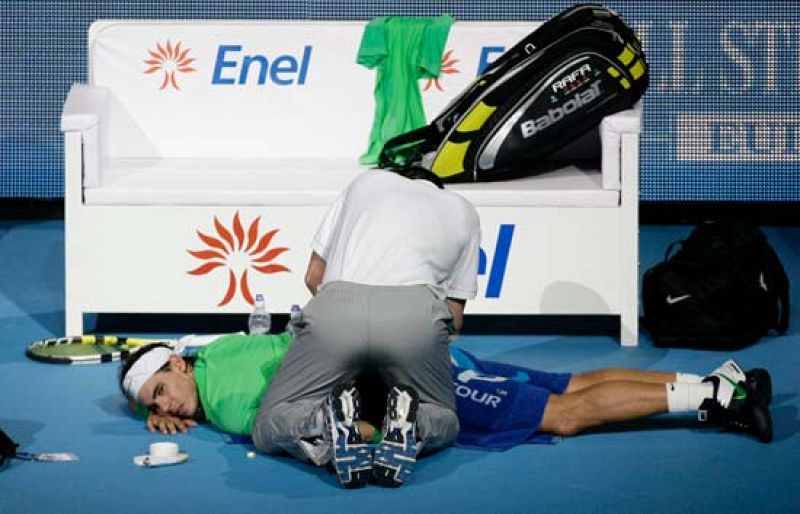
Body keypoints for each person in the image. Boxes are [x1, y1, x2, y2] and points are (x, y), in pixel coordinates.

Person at [119, 333, 774, 481]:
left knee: (561, 414)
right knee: (567, 383)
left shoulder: (230, 407)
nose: (171, 406)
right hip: (419, 351)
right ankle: (713, 379)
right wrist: (164, 409)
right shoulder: (216, 349)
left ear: (174, 366)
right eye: (157, 404)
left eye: (160, 392)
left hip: (404, 379)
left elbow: (308, 422)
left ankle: (717, 399)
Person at [250, 167, 482, 488]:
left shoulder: (367, 181)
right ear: (438, 189)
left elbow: (314, 277)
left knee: (267, 425)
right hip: (415, 316)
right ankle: (415, 422)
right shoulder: (464, 211)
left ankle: (322, 421)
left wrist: (343, 346)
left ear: (399, 175)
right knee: (445, 416)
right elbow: (453, 318)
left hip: (338, 308)